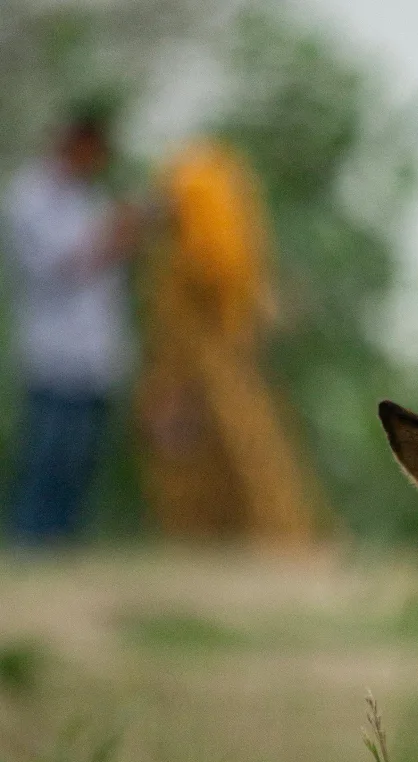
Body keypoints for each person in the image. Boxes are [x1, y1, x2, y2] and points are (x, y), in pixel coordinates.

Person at [135, 138, 323, 553]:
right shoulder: (208, 191)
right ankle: (257, 537)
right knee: (219, 441)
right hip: (212, 350)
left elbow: (216, 267)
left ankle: (252, 538)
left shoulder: (196, 195)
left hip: (210, 350)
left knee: (226, 442)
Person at [3, 104, 138, 548]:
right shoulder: (29, 197)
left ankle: (63, 544)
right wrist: (115, 237)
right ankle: (32, 542)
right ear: (77, 144)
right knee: (49, 455)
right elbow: (57, 268)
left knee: (82, 459)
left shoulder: (87, 197)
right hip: (54, 351)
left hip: (95, 351)